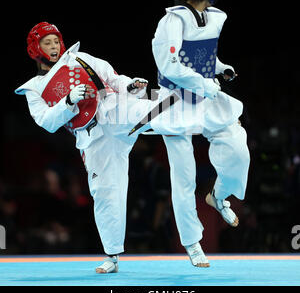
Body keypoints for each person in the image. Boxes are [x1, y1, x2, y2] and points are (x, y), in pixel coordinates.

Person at [15, 20, 246, 273]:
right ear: (34, 49)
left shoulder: (78, 58)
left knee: (164, 108)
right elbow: (47, 122)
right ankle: (112, 257)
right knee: (105, 193)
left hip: (115, 109)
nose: (54, 46)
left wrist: (130, 85)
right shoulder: (32, 89)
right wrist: (67, 102)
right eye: (47, 43)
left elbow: (113, 78)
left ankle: (222, 111)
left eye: (56, 41)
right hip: (93, 139)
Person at [151, 0, 251, 267]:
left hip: (205, 95)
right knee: (184, 177)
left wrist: (222, 68)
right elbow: (168, 65)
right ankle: (193, 243)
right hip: (174, 102)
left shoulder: (213, 18)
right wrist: (205, 83)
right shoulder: (171, 21)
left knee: (238, 149)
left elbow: (204, 54)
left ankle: (218, 197)